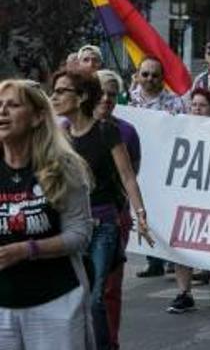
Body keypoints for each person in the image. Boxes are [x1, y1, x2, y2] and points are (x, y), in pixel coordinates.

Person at [50, 69, 153, 349]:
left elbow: (127, 176)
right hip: (71, 226)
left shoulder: (107, 131)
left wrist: (141, 216)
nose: (56, 96)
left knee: (96, 297)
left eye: (62, 91)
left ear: (82, 96)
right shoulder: (60, 134)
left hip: (104, 225)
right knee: (73, 296)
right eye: (54, 91)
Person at [0, 79, 94, 349]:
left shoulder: (65, 167)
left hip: (55, 302)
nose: (2, 112)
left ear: (38, 117)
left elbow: (80, 234)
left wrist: (27, 250)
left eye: (13, 105)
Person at [166, 88, 210, 313]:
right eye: (193, 105)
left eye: (202, 106)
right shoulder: (180, 128)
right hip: (186, 196)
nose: (196, 109)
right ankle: (184, 293)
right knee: (180, 242)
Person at [95, 70, 141, 350]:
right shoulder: (65, 126)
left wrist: (132, 209)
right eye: (101, 92)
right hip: (75, 220)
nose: (106, 99)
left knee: (110, 288)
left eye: (112, 94)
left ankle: (110, 343)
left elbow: (131, 173)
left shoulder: (126, 132)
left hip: (113, 217)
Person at [128, 57, 183, 278]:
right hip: (138, 164)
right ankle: (153, 260)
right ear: (138, 75)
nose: (149, 79)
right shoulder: (128, 100)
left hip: (165, 165)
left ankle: (171, 258)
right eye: (145, 74)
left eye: (155, 75)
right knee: (144, 211)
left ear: (162, 78)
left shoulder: (174, 103)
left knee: (167, 213)